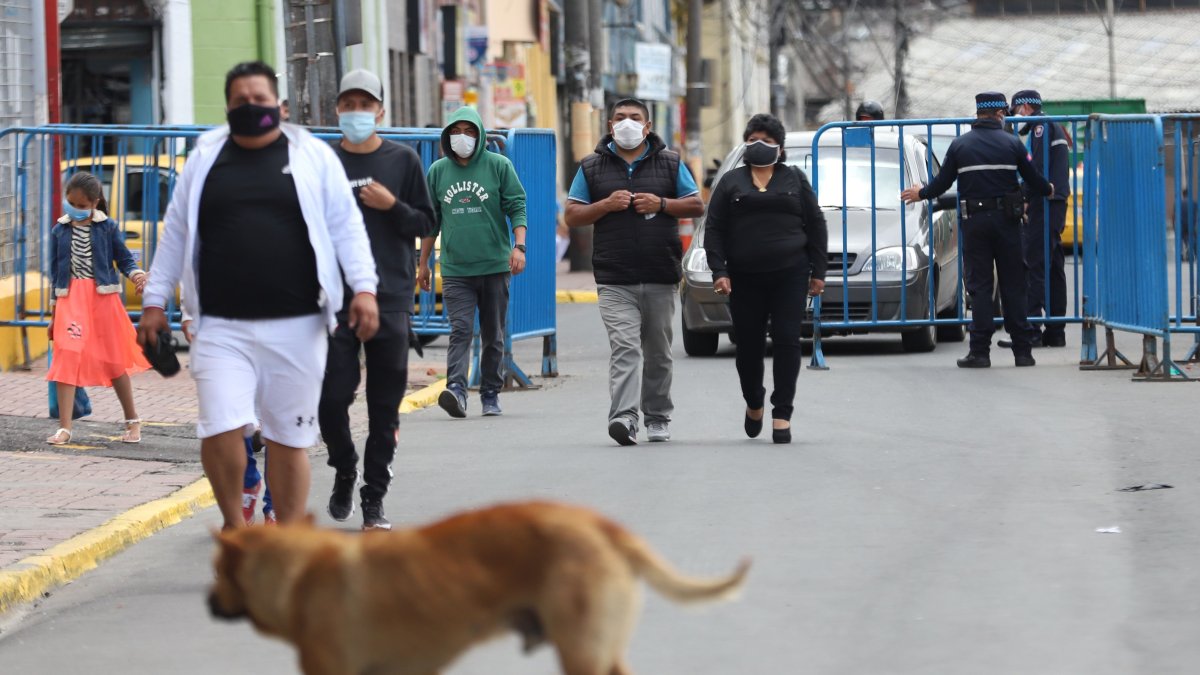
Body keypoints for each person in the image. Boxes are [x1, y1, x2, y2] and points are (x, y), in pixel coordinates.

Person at [139, 61, 379, 530]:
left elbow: (346, 228)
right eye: (240, 101)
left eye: (260, 100)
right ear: (228, 107)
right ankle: (236, 528)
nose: (251, 107)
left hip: (299, 325)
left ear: (280, 106)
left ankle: (286, 543)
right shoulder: (205, 157)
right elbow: (176, 234)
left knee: (289, 436)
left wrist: (364, 289)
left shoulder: (312, 156)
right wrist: (154, 302)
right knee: (220, 425)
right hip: (220, 324)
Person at [321, 69, 435, 531]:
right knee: (330, 398)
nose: (356, 113)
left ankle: (374, 497)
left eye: (365, 105)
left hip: (390, 297)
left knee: (383, 406)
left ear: (381, 111)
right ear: (337, 110)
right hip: (333, 299)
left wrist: (392, 206)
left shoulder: (402, 160)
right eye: (348, 104)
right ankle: (344, 465)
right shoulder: (323, 162)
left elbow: (426, 223)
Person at [563, 98, 705, 445]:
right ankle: (624, 418)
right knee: (625, 348)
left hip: (660, 274)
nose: (627, 123)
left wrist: (662, 204)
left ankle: (657, 416)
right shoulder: (592, 167)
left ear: (648, 126)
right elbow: (572, 214)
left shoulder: (670, 163)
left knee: (657, 351)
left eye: (635, 118)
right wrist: (605, 205)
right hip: (615, 277)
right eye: (621, 118)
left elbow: (696, 203)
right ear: (610, 126)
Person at [901, 91, 1053, 369]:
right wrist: (1048, 189)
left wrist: (920, 193)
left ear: (978, 113)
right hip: (1008, 223)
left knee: (980, 287)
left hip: (974, 224)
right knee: (1013, 285)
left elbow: (942, 183)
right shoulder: (1013, 144)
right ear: (998, 114)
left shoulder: (960, 146)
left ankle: (980, 352)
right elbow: (1035, 179)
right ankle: (1023, 352)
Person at [704, 114, 828, 444]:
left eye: (769, 141)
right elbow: (714, 229)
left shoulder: (794, 179)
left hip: (791, 273)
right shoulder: (731, 182)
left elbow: (816, 225)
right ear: (746, 144)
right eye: (755, 139)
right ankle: (754, 401)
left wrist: (819, 272)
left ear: (780, 147)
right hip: (744, 278)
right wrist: (720, 271)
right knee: (748, 346)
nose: (761, 145)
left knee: (788, 339)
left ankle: (782, 413)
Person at [418, 106, 527, 419]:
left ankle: (491, 393)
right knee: (461, 329)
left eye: (468, 131)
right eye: (455, 131)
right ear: (447, 135)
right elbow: (431, 221)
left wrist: (519, 247)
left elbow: (517, 205)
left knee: (493, 333)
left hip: (494, 266)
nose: (462, 137)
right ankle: (456, 389)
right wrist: (424, 264)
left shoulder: (498, 166)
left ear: (479, 135)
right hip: (456, 268)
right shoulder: (437, 171)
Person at [46, 172, 150, 445]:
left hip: (102, 299)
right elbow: (56, 275)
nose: (75, 209)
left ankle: (132, 421)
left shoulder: (107, 227)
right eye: (71, 203)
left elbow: (125, 259)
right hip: (70, 301)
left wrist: (137, 275)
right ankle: (65, 428)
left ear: (94, 203)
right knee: (66, 355)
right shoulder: (59, 230)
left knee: (114, 360)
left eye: (81, 205)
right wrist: (53, 314)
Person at [181, 307, 273, 524]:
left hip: (283, 320)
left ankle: (275, 505)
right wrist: (188, 314)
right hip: (229, 327)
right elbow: (190, 272)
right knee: (233, 419)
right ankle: (247, 484)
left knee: (278, 427)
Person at [998, 90, 1069, 349]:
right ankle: (1055, 330)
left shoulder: (1041, 127)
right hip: (1055, 199)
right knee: (1052, 264)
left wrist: (1026, 197)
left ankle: (1031, 330)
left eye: (1016, 112)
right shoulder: (1051, 125)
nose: (1016, 119)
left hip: (1044, 200)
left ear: (1025, 107)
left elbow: (1035, 168)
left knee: (1035, 263)